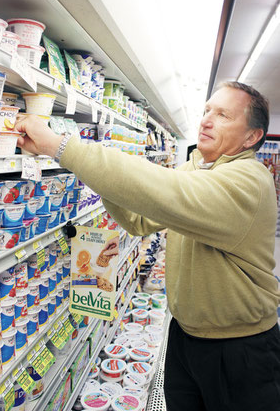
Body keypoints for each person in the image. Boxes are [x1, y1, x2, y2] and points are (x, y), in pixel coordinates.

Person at [15, 81, 280, 410]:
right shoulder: (195, 168)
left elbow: (165, 190)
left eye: (223, 115)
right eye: (207, 110)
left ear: (252, 137)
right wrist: (94, 173)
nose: (206, 120)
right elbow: (137, 220)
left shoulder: (249, 181)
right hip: (185, 334)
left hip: (238, 347)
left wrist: (63, 147)